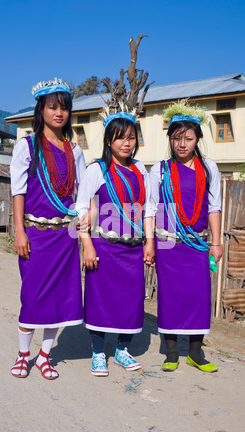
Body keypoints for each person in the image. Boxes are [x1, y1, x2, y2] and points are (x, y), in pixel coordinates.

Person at [10, 79, 86, 380]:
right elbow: (18, 191)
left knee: (60, 299)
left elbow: (82, 193)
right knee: (33, 296)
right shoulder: (26, 146)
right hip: (36, 235)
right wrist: (19, 231)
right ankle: (23, 354)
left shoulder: (74, 150)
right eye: (53, 107)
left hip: (65, 237)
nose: (59, 113)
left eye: (64, 107)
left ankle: (45, 355)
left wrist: (83, 218)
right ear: (40, 110)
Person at [75, 112, 155, 376]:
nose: (126, 143)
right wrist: (87, 245)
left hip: (132, 249)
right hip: (104, 248)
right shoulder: (97, 170)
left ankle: (122, 350)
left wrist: (148, 242)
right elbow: (82, 208)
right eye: (120, 137)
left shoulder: (140, 169)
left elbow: (147, 210)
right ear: (109, 140)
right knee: (100, 301)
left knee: (131, 301)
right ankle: (98, 353)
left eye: (131, 137)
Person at [149, 100, 223, 373]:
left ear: (197, 139)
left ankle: (195, 353)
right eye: (176, 138)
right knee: (169, 295)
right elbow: (150, 208)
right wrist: (150, 244)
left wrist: (216, 242)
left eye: (188, 138)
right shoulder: (160, 170)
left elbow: (214, 206)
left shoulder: (209, 168)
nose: (182, 144)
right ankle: (170, 352)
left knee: (198, 296)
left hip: (198, 241)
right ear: (170, 139)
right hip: (168, 240)